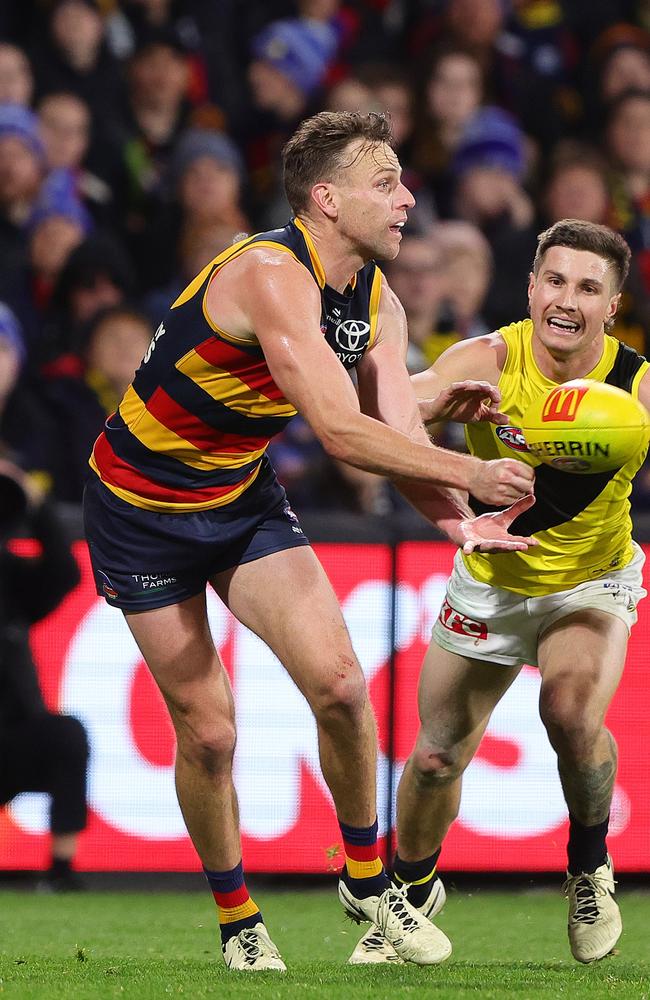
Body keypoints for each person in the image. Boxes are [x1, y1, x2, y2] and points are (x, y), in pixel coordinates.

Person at [83, 110, 535, 972]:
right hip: (139, 509)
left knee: (339, 683)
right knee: (210, 734)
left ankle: (372, 889)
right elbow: (338, 430)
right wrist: (472, 475)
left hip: (238, 494)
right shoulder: (268, 274)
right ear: (326, 200)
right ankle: (238, 919)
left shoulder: (380, 300)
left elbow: (389, 424)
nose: (407, 200)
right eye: (385, 183)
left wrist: (454, 518)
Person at [349, 218, 649, 967]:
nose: (567, 300)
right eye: (555, 280)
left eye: (588, 287)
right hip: (491, 579)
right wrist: (438, 417)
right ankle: (410, 898)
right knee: (435, 759)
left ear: (612, 305)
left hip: (591, 579)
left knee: (571, 713)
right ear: (531, 287)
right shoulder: (487, 358)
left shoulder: (636, 386)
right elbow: (380, 414)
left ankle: (588, 865)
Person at [0, 459, 87, 891]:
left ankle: (60, 872)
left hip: (10, 739)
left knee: (65, 736)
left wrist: (35, 502)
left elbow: (63, 572)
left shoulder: (9, 579)